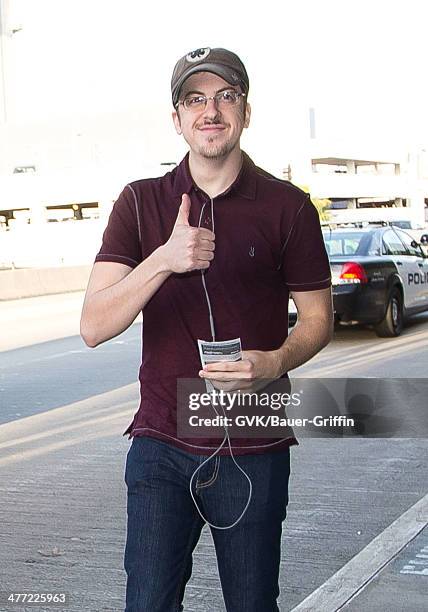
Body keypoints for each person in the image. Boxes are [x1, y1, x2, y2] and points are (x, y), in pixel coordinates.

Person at [80, 46, 333, 612]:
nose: (210, 111)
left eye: (225, 96)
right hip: (159, 447)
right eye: (195, 99)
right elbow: (94, 326)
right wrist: (164, 259)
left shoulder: (288, 207)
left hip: (253, 442)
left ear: (245, 111)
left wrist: (273, 363)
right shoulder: (141, 203)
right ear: (177, 118)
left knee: (251, 604)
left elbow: (319, 320)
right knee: (147, 604)